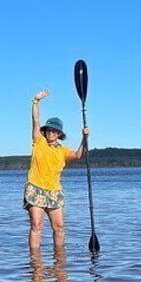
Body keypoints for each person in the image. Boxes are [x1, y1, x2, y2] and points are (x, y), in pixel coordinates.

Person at [24, 89, 89, 251]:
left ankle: (60, 260)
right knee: (36, 226)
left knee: (59, 227)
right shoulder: (39, 141)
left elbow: (79, 155)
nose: (51, 132)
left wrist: (85, 138)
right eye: (49, 130)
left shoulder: (63, 150)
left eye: (54, 130)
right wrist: (36, 101)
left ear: (59, 134)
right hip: (35, 188)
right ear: (45, 132)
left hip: (54, 191)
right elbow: (35, 119)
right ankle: (35, 262)